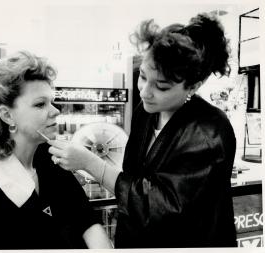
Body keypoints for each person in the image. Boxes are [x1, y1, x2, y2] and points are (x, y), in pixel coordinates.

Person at [48, 13, 237, 248]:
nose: (145, 91)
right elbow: (132, 173)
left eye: (161, 86)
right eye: (143, 76)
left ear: (194, 86)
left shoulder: (209, 133)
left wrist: (90, 163)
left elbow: (158, 206)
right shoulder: (145, 111)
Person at [0, 51, 112, 250]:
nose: (55, 111)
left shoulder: (48, 158)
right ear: (7, 115)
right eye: (40, 104)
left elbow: (85, 217)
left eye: (51, 102)